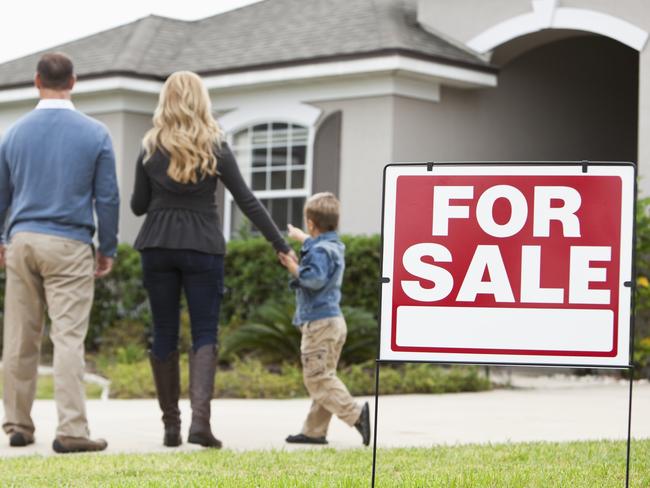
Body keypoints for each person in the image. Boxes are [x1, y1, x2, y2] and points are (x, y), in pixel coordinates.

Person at [131, 71, 293, 449]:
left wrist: (161, 194)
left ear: (166, 101)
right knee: (205, 332)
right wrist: (280, 245)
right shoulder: (215, 146)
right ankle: (199, 424)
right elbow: (246, 199)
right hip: (203, 245)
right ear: (201, 100)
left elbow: (138, 206)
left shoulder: (149, 147)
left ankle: (171, 427)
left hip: (157, 244)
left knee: (164, 331)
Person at [0, 53, 119, 453]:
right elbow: (108, 198)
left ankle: (17, 424)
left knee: (19, 336)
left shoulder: (14, 134)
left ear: (37, 81)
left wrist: (3, 240)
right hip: (69, 243)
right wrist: (108, 248)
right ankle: (71, 429)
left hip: (23, 241)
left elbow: (2, 196)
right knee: (68, 337)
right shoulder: (95, 134)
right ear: (74, 81)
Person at [278, 192, 370, 446]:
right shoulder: (334, 245)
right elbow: (318, 248)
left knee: (317, 378)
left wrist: (292, 266)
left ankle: (357, 415)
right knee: (324, 374)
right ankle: (314, 431)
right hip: (332, 322)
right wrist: (303, 238)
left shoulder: (319, 251)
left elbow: (313, 279)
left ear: (311, 222)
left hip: (319, 323)